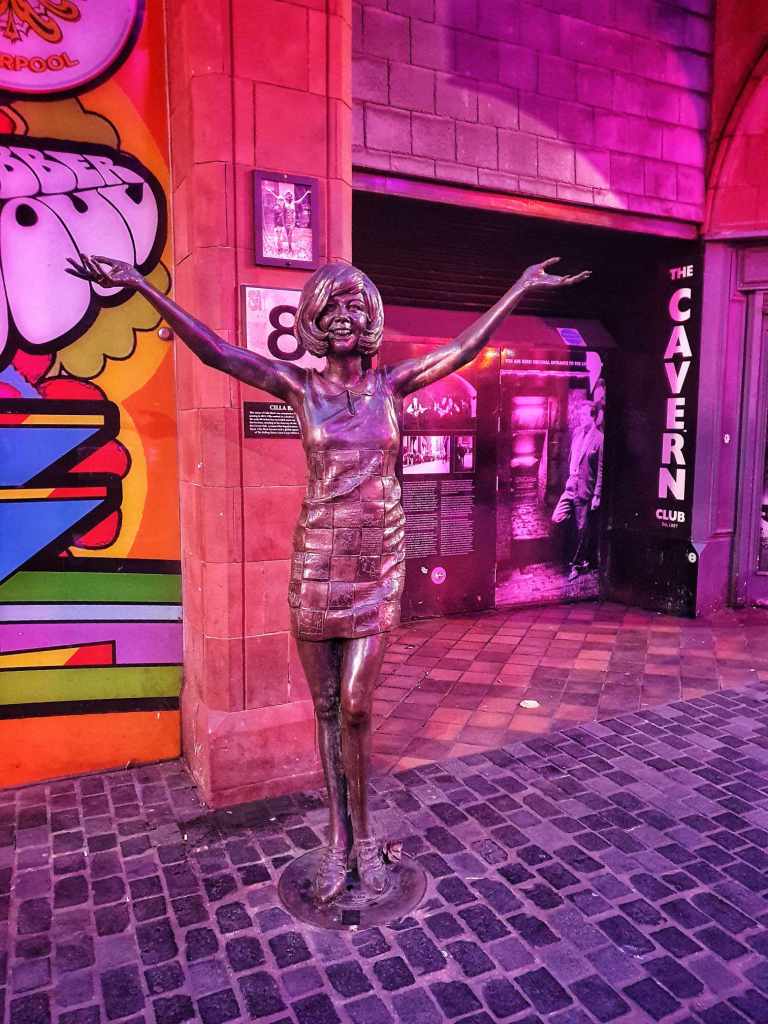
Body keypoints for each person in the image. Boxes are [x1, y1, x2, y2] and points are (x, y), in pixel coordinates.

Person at [67, 253, 590, 903]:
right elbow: (217, 352)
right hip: (319, 560)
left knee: (356, 706)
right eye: (331, 307)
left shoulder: (391, 385)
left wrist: (518, 287)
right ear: (314, 320)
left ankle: (365, 838)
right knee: (324, 708)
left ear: (369, 321)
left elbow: (461, 349)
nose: (343, 317)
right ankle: (339, 839)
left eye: (354, 307)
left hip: (378, 561)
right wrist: (143, 285)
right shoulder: (300, 388)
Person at [551, 400, 604, 580]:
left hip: (585, 489)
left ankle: (578, 563)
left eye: (584, 415)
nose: (580, 417)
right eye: (579, 414)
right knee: (557, 517)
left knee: (582, 530)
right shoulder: (577, 433)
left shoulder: (599, 439)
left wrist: (597, 495)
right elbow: (572, 457)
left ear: (593, 417)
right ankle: (576, 555)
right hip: (571, 485)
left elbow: (601, 469)